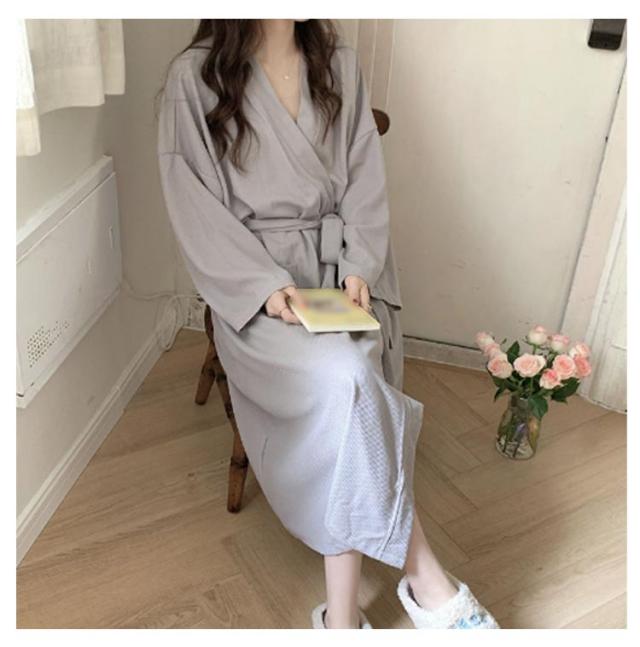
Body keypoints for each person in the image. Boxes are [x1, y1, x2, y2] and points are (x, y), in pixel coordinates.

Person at [156, 18, 499, 630]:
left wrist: (361, 263)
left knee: (352, 386)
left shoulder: (339, 64)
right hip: (258, 287)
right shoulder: (193, 77)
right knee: (349, 382)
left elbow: (366, 176)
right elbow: (194, 205)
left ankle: (341, 622)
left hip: (342, 274)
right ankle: (424, 578)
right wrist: (263, 287)